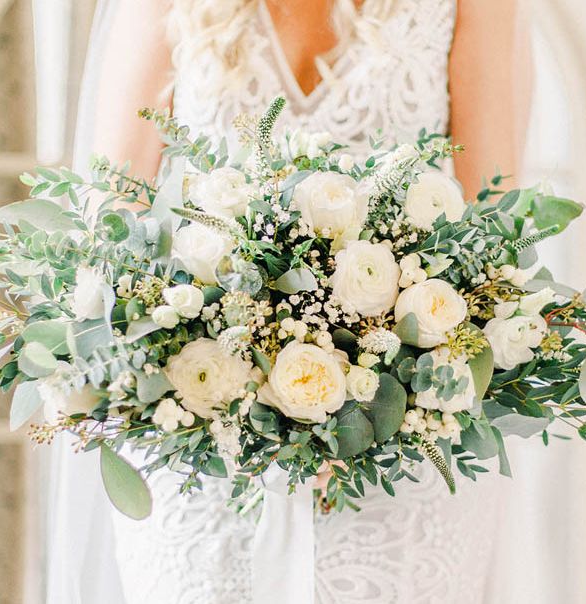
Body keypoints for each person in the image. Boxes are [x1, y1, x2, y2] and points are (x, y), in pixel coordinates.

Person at [58, 1, 530, 602]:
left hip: (403, 455)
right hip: (204, 436)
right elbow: (113, 223)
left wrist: (380, 403)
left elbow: (494, 228)